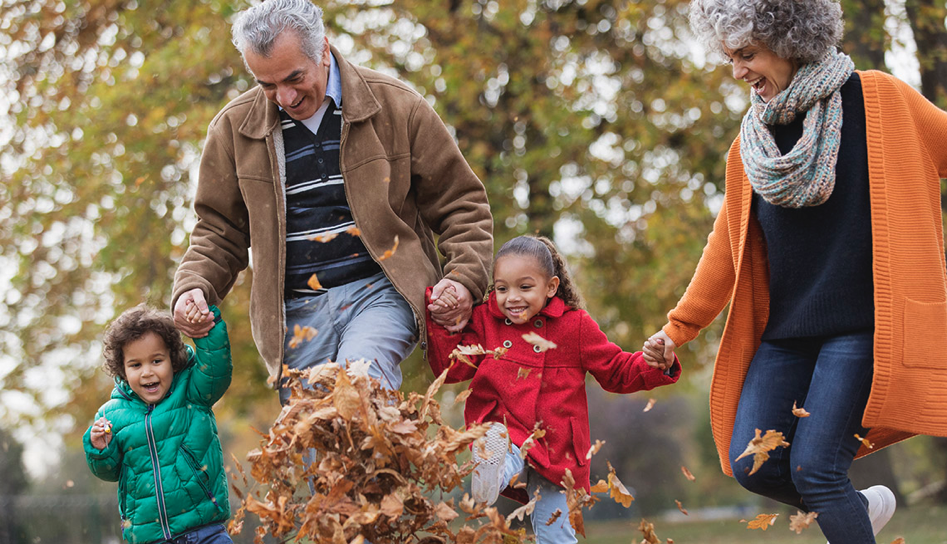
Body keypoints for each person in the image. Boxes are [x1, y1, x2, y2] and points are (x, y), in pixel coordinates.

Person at [643, 1, 947, 542]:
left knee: (815, 469)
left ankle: (842, 505)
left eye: (747, 54)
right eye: (730, 57)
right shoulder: (752, 148)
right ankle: (855, 508)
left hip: (863, 330)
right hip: (786, 335)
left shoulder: (880, 99)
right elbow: (725, 248)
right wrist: (677, 328)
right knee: (750, 463)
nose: (737, 71)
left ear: (790, 40)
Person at [171, 0, 493, 403]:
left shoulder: (396, 105)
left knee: (359, 393)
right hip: (296, 314)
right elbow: (219, 231)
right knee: (314, 447)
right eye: (267, 85)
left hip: (379, 291)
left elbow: (460, 201)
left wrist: (464, 276)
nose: (284, 97)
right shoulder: (233, 130)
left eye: (294, 78)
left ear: (322, 50)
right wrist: (193, 286)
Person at [426, 235, 680, 543]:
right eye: (502, 288)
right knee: (504, 445)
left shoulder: (575, 327)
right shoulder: (485, 321)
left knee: (555, 532)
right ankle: (490, 467)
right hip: (501, 424)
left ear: (551, 286)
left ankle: (492, 471)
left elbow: (615, 371)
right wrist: (442, 325)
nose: (512, 298)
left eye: (525, 287)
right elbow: (453, 368)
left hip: (557, 447)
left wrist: (654, 363)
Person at [83, 304, 233, 544]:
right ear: (122, 369)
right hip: (149, 536)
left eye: (156, 361)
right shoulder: (111, 415)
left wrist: (206, 326)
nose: (147, 372)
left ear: (173, 360)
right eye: (136, 365)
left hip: (204, 528)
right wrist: (100, 449)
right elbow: (109, 471)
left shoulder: (191, 392)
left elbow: (217, 369)